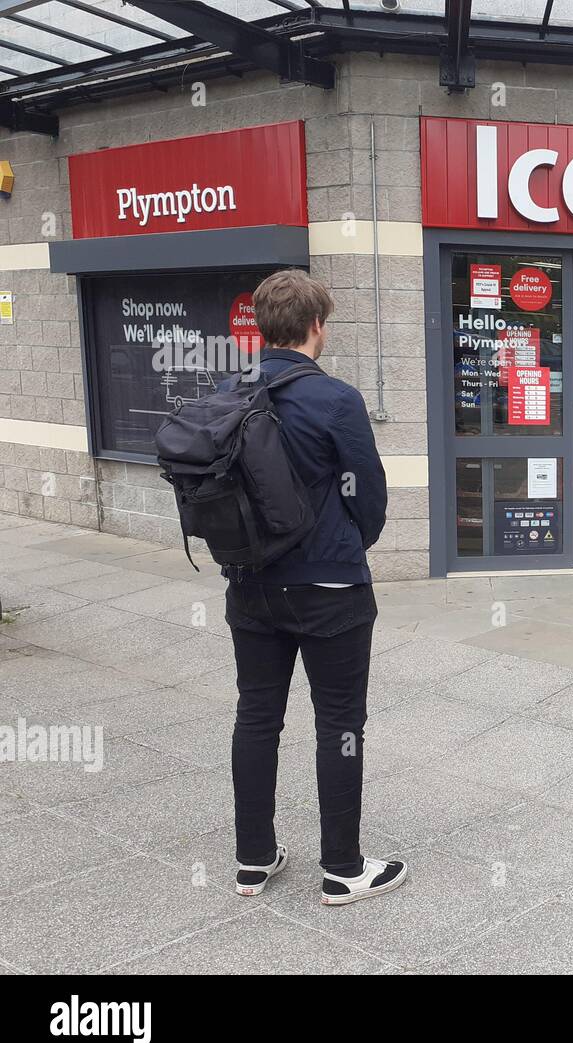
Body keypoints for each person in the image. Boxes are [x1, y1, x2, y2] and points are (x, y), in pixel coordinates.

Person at [223, 269, 406, 906]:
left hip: (250, 585)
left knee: (256, 716)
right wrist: (351, 540)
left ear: (262, 327)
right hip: (330, 586)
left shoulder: (232, 390)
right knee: (339, 723)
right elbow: (370, 492)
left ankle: (253, 859)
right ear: (317, 326)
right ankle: (343, 868)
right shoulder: (336, 400)